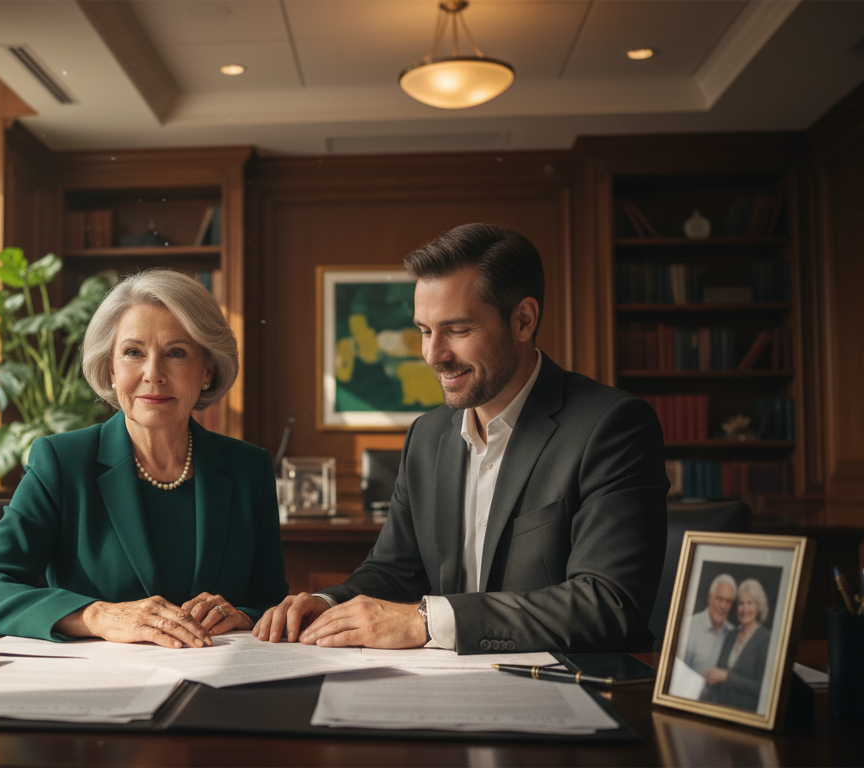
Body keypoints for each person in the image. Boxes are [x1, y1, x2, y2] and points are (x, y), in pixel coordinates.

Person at [253, 223, 669, 653]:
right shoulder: (426, 436)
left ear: (523, 320)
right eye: (424, 330)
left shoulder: (613, 426)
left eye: (458, 330)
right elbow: (394, 571)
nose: (433, 355)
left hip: (565, 691)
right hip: (443, 687)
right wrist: (326, 603)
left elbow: (609, 602)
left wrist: (428, 622)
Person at [0, 270, 288, 647]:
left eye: (176, 353)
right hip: (98, 690)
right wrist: (96, 615)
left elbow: (270, 604)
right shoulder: (62, 462)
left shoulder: (248, 469)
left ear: (207, 371)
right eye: (133, 353)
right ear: (111, 367)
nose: (153, 374)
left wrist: (243, 615)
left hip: (217, 683)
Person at [701, 578, 772, 711]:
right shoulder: (731, 634)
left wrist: (727, 677)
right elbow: (719, 672)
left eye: (750, 603)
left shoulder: (766, 639)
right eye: (741, 603)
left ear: (759, 606)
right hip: (720, 709)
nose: (744, 609)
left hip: (745, 713)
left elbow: (763, 688)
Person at [681, 573, 736, 675]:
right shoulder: (689, 626)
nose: (723, 606)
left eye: (728, 601)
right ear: (710, 598)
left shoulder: (733, 633)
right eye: (719, 599)